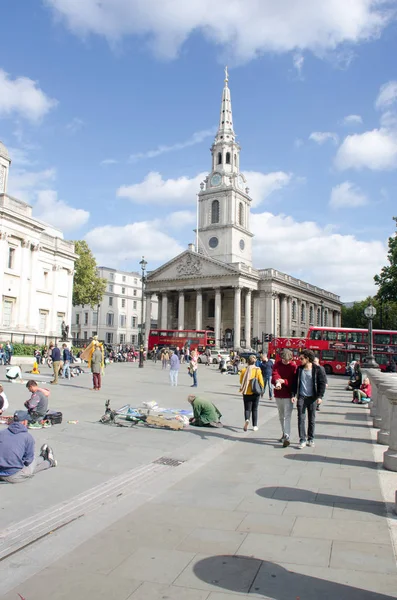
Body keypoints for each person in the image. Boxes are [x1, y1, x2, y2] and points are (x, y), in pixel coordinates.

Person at [0, 410, 57, 483]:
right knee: (31, 463)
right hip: (13, 475)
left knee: (28, 461)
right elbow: (28, 460)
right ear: (24, 422)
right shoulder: (27, 437)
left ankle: (42, 457)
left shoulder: (2, 433)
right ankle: (49, 462)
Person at [292, 349, 327, 449]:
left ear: (307, 359)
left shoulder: (317, 369)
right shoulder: (299, 369)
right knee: (301, 418)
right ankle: (302, 439)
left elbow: (322, 383)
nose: (300, 360)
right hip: (302, 397)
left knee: (311, 419)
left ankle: (310, 439)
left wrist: (320, 396)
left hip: (312, 397)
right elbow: (295, 383)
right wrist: (293, 395)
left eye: (302, 358)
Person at [272, 349, 297, 447]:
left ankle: (287, 435)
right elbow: (274, 375)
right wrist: (277, 381)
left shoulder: (293, 366)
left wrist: (284, 381)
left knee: (288, 416)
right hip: (278, 394)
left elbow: (293, 381)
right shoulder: (277, 364)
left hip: (288, 395)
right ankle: (284, 433)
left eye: (287, 360)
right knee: (281, 416)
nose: (286, 362)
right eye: (284, 360)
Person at [239, 355, 265, 432]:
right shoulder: (257, 370)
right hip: (255, 392)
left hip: (246, 391)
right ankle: (255, 426)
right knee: (255, 409)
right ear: (255, 361)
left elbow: (241, 381)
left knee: (247, 409)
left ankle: (247, 420)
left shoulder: (244, 370)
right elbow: (261, 382)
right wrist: (262, 390)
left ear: (248, 362)